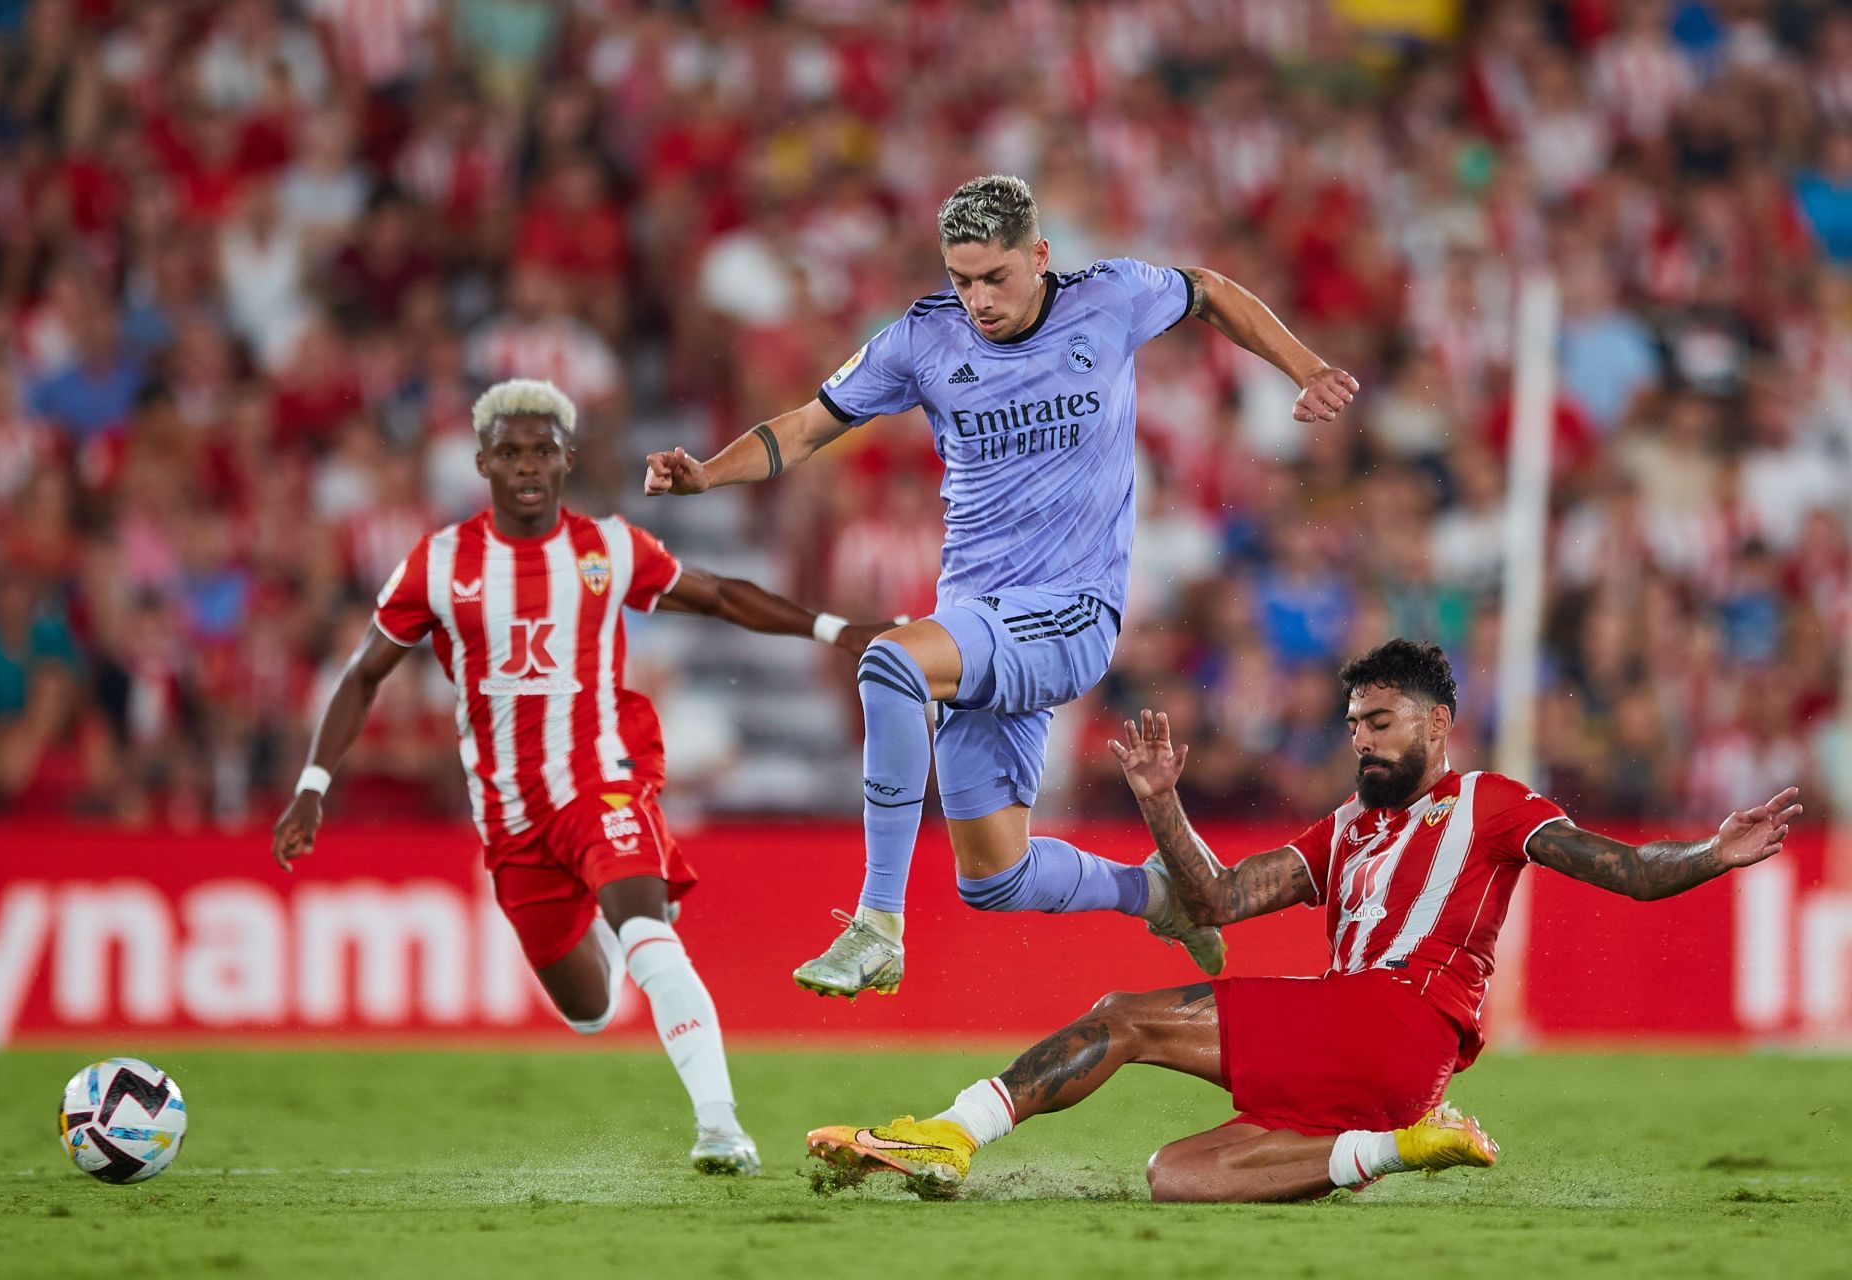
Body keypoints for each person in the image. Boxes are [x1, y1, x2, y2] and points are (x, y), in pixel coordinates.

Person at [645, 174, 1360, 998]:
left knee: (889, 663)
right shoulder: (922, 341)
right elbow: (807, 426)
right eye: (961, 279)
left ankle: (877, 923)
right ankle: (1164, 897)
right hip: (979, 619)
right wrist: (707, 474)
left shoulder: (1112, 296)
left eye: (995, 277)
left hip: (1072, 615)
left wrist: (1305, 368)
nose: (978, 299)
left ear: (1040, 256)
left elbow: (1211, 292)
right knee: (994, 877)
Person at [806, 639, 1801, 1202]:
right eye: (1354, 723)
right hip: (1376, 1061)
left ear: (1436, 726)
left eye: (1381, 721)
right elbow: (1218, 901)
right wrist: (1162, 803)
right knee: (1176, 1175)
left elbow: (1623, 868)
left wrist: (1712, 853)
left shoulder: (1495, 802)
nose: (1361, 738)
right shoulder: (1348, 829)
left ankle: (950, 1131)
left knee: (1124, 1014)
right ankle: (1392, 1149)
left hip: (1395, 1015)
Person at [272, 378, 889, 1177]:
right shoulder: (440, 563)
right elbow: (362, 676)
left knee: (647, 935)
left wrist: (838, 631)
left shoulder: (606, 548)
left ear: (566, 458)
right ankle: (610, 908)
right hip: (509, 817)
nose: (527, 465)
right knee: (591, 1011)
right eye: (511, 452)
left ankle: (720, 1127)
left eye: (542, 450)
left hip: (599, 781)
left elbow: (721, 595)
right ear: (482, 461)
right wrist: (314, 784)